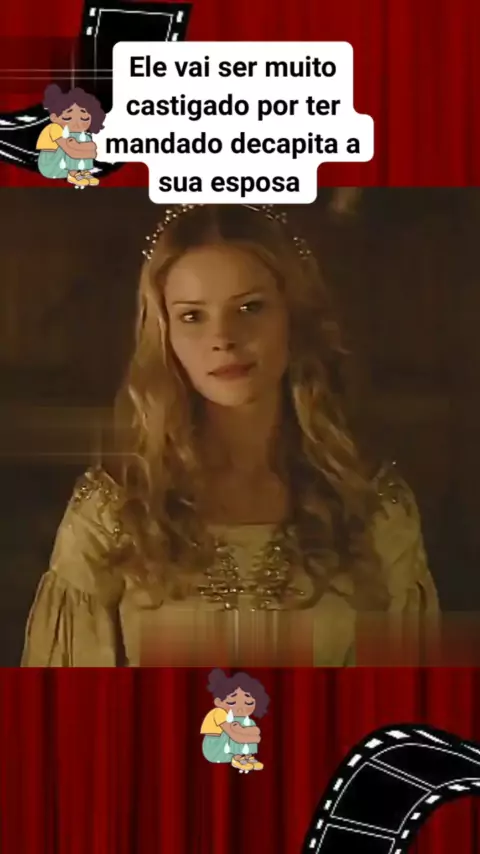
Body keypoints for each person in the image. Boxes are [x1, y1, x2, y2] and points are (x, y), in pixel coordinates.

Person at [21, 203, 440, 668]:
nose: (223, 337)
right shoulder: (115, 511)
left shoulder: (374, 508)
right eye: (193, 316)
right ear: (165, 334)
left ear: (293, 316)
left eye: (249, 308)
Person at [200, 668, 268, 772]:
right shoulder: (218, 712)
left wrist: (247, 733)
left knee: (247, 722)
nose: (240, 709)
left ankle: (248, 757)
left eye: (249, 703)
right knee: (237, 724)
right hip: (215, 749)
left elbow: (255, 731)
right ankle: (237, 758)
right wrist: (251, 736)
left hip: (229, 745)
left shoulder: (245, 720)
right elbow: (233, 734)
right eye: (231, 703)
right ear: (218, 702)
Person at [36, 84, 104, 188]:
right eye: (67, 118)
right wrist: (88, 148)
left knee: (84, 137)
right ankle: (73, 174)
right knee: (74, 139)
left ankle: (84, 172)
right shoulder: (54, 128)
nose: (77, 124)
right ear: (54, 117)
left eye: (84, 119)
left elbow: (89, 149)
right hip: (51, 165)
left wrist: (85, 148)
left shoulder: (82, 135)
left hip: (66, 164)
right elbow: (69, 148)